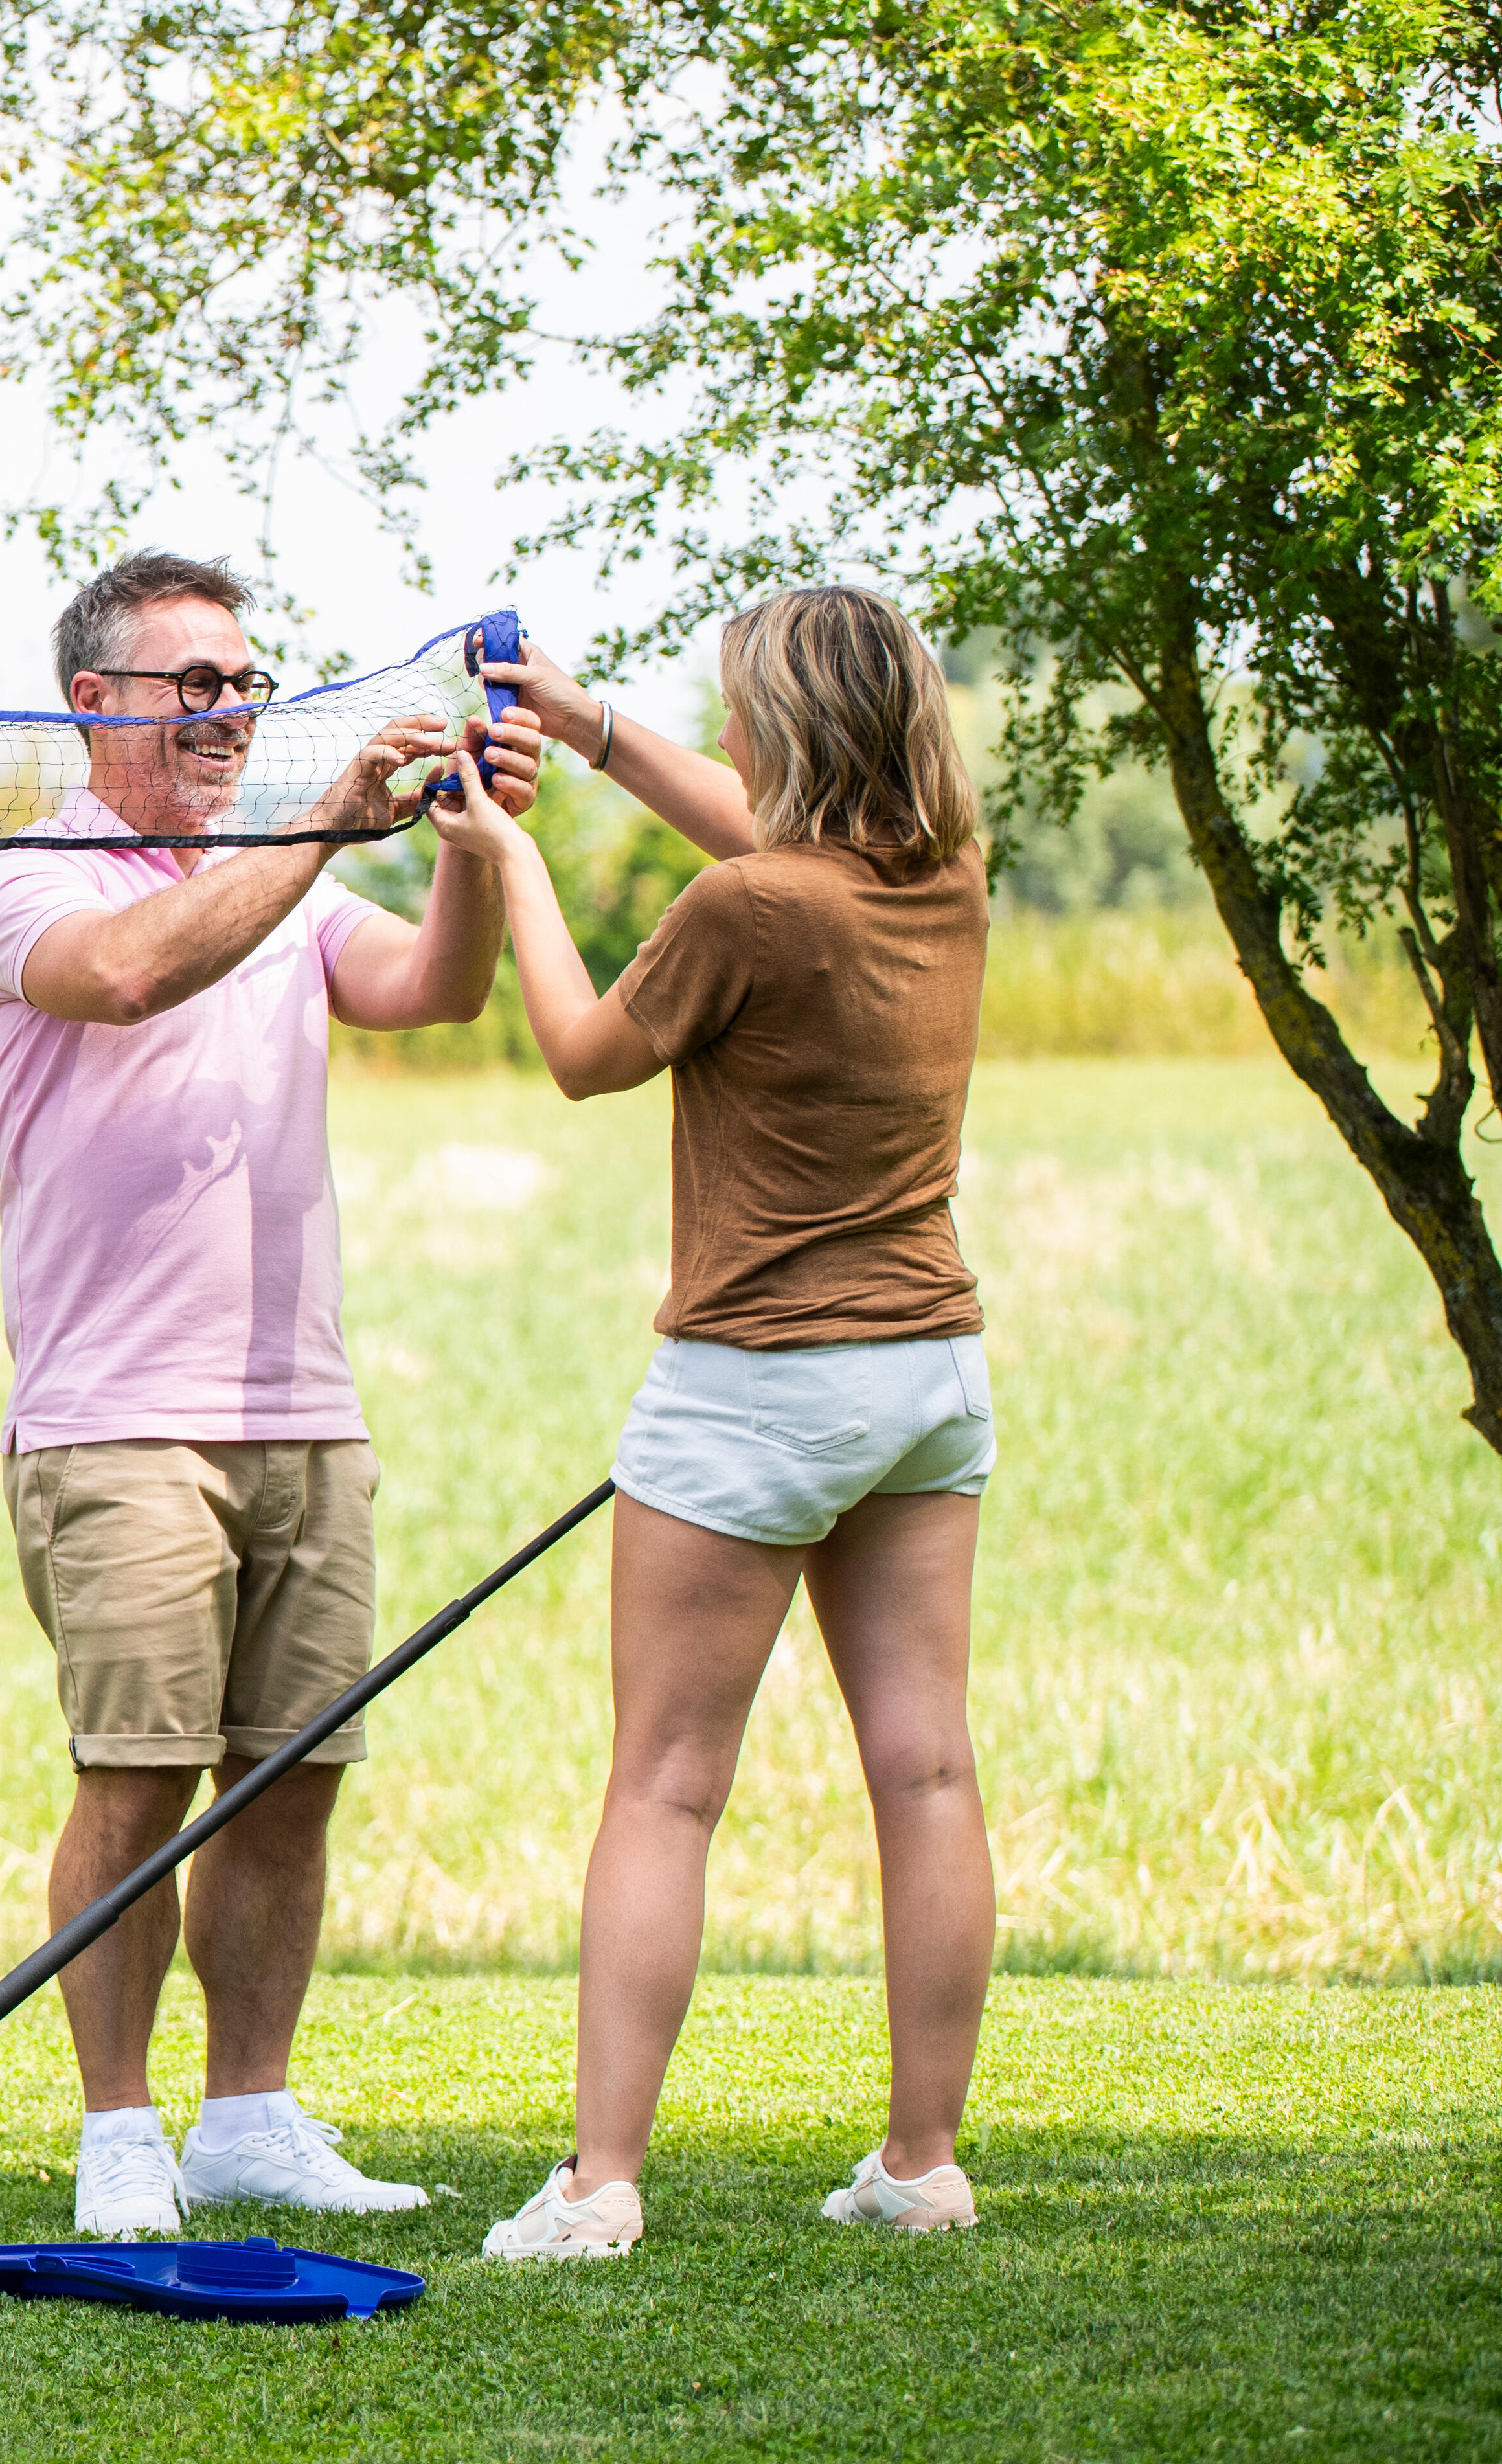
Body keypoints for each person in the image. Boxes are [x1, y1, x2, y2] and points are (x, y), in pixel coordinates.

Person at [0, 552, 548, 2239]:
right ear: (94, 701)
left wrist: (469, 848)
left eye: (243, 680)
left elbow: (435, 990)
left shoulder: (272, 878)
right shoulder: (25, 874)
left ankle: (248, 2116)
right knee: (133, 1781)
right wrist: (320, 833)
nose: (228, 710)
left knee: (290, 1778)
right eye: (191, 682)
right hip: (115, 1416)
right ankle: (118, 2130)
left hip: (304, 1403)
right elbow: (130, 972)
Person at [443, 587, 997, 2259]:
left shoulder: (742, 907)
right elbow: (766, 841)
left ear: (785, 725)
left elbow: (577, 1053)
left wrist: (511, 858)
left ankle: (596, 2184)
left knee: (667, 1785)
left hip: (753, 1383)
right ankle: (920, 2163)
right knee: (926, 1766)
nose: (729, 729)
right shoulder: (942, 877)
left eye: (738, 705)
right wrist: (587, 723)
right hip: (926, 1373)